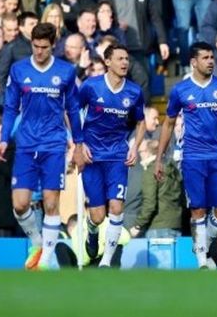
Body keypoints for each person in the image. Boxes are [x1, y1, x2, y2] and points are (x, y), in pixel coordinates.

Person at [154, 42, 217, 269]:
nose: (210, 61)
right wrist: (159, 157)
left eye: (211, 57)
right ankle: (202, 260)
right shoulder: (181, 90)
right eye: (205, 58)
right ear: (193, 62)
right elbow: (169, 123)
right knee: (198, 208)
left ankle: (203, 242)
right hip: (192, 157)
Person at [0, 23, 83, 270]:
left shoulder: (66, 72)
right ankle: (38, 241)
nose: (39, 52)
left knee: (51, 202)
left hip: (53, 144)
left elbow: (73, 109)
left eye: (44, 47)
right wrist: (4, 137)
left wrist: (78, 143)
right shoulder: (19, 70)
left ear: (52, 45)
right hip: (25, 144)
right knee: (20, 203)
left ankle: (45, 259)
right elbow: (11, 107)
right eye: (35, 46)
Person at [74, 45, 146, 268]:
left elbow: (141, 121)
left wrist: (135, 146)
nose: (125, 62)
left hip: (117, 156)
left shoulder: (134, 92)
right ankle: (92, 231)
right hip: (92, 156)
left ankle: (106, 261)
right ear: (107, 62)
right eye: (119, 58)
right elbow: (72, 112)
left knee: (116, 208)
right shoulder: (91, 87)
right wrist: (79, 143)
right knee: (97, 215)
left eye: (127, 58)